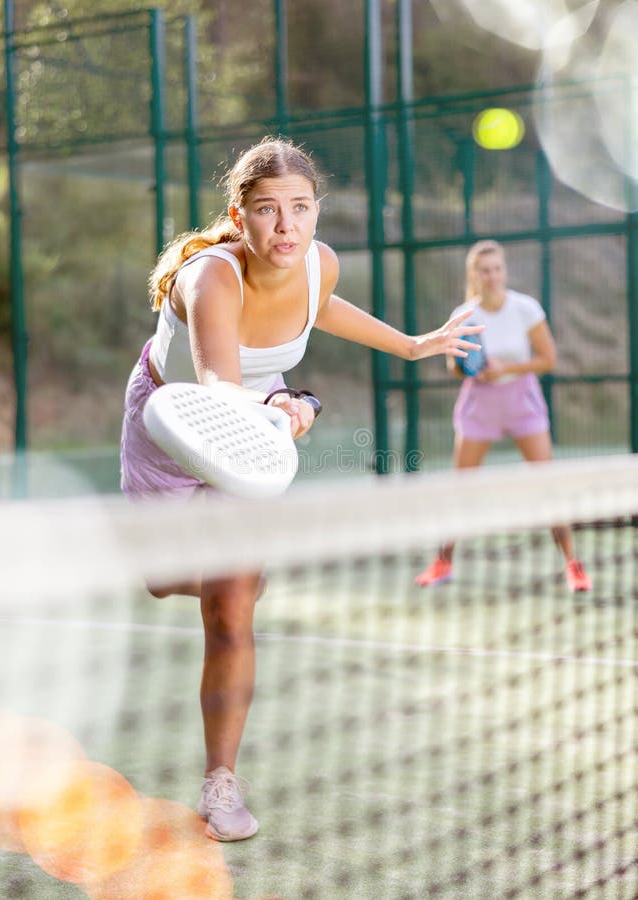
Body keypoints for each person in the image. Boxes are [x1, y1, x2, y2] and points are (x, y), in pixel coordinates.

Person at [120, 136, 483, 842]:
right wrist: (291, 409)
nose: (285, 227)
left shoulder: (319, 262)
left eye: (299, 209)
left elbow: (320, 307)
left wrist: (413, 344)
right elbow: (221, 379)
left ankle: (219, 783)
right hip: (170, 420)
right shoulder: (209, 278)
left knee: (231, 611)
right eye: (266, 211)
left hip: (255, 429)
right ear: (240, 214)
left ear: (316, 212)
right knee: (163, 580)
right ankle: (222, 569)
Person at [415, 239, 592, 594]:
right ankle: (443, 562)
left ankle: (573, 565)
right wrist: (472, 369)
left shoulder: (525, 308)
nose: (492, 276)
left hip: (522, 401)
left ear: (504, 271)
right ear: (474, 275)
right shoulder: (463, 314)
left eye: (497, 269)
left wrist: (505, 368)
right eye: (485, 270)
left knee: (548, 485)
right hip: (480, 405)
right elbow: (454, 366)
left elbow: (547, 359)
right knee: (460, 488)